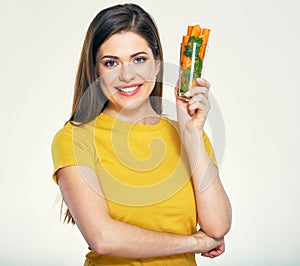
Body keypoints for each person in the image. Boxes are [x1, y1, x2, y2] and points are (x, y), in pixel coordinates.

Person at [51, 3, 232, 265]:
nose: (127, 75)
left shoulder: (189, 135)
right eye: (111, 62)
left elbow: (217, 226)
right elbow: (103, 238)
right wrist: (195, 242)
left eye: (139, 59)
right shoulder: (74, 138)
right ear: (96, 71)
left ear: (157, 64)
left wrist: (190, 133)